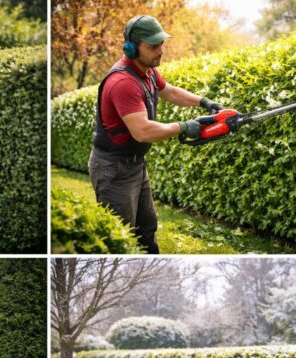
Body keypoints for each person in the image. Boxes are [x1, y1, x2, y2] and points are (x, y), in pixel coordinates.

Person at [89, 15, 225, 254]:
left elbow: (170, 92)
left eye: (161, 44)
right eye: (153, 46)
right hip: (113, 169)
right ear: (131, 48)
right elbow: (142, 131)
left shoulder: (147, 72)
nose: (161, 51)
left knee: (146, 230)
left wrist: (205, 102)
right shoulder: (123, 82)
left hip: (135, 165)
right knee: (119, 239)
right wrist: (184, 127)